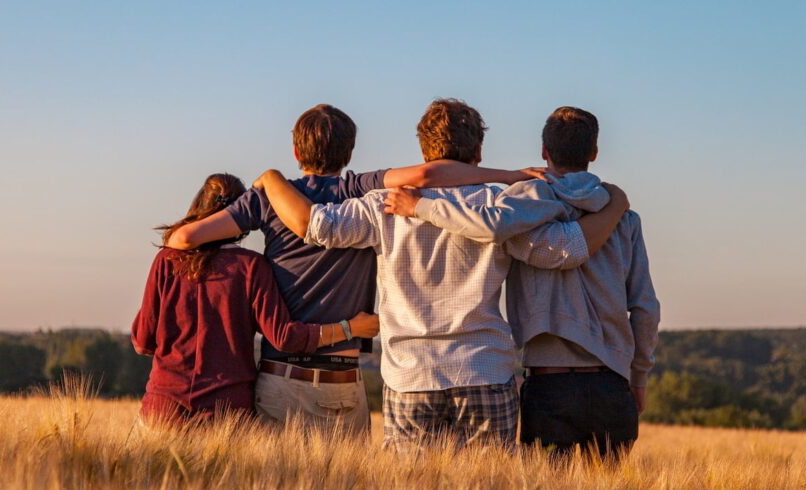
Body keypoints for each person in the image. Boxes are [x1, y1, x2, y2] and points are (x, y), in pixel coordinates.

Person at [254, 98, 630, 450]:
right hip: (484, 369)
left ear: (423, 151)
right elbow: (564, 250)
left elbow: (315, 226)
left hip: (410, 376)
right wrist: (615, 207)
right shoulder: (500, 206)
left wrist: (272, 179)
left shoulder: (382, 205)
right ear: (478, 153)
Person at [163, 104, 549, 434]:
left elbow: (182, 240)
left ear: (295, 150)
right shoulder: (359, 189)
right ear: (349, 152)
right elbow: (428, 175)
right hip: (344, 380)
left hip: (282, 376)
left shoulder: (267, 199)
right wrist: (510, 176)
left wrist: (266, 185)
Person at [384, 106, 660, 459]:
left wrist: (421, 207)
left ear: (544, 152)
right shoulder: (624, 217)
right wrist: (638, 377)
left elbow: (491, 226)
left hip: (549, 385)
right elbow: (646, 308)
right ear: (593, 153)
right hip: (612, 383)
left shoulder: (520, 207)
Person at [131, 173, 379, 427]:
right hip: (227, 413)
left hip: (163, 408)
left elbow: (143, 341)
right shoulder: (251, 267)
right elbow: (284, 337)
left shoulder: (167, 260)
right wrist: (351, 328)